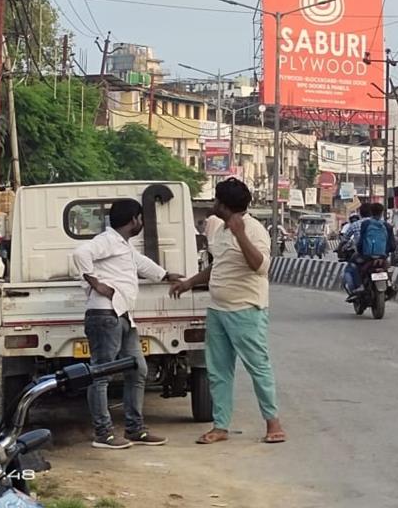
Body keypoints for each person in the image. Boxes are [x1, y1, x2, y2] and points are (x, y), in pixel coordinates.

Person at [169, 178, 285, 445]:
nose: (213, 205)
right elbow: (218, 265)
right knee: (218, 370)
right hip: (218, 309)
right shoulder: (219, 231)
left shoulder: (254, 230)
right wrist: (189, 282)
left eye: (216, 201)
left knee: (258, 367)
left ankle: (273, 423)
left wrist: (240, 233)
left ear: (223, 205)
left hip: (246, 310)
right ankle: (220, 425)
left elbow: (261, 266)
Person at [71, 199, 182, 449]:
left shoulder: (122, 245)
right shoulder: (107, 241)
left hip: (121, 314)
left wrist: (165, 275)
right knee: (100, 375)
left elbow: (140, 263)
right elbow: (80, 253)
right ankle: (103, 434)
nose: (141, 223)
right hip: (104, 314)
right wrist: (95, 282)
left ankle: (135, 429)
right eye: (141, 218)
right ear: (134, 219)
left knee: (138, 369)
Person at [343, 202, 395, 299]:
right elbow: (392, 246)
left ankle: (359, 286)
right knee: (388, 267)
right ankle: (390, 284)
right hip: (382, 256)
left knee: (353, 265)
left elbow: (361, 241)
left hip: (367, 256)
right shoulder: (387, 226)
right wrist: (385, 253)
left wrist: (360, 251)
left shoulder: (366, 224)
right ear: (382, 213)